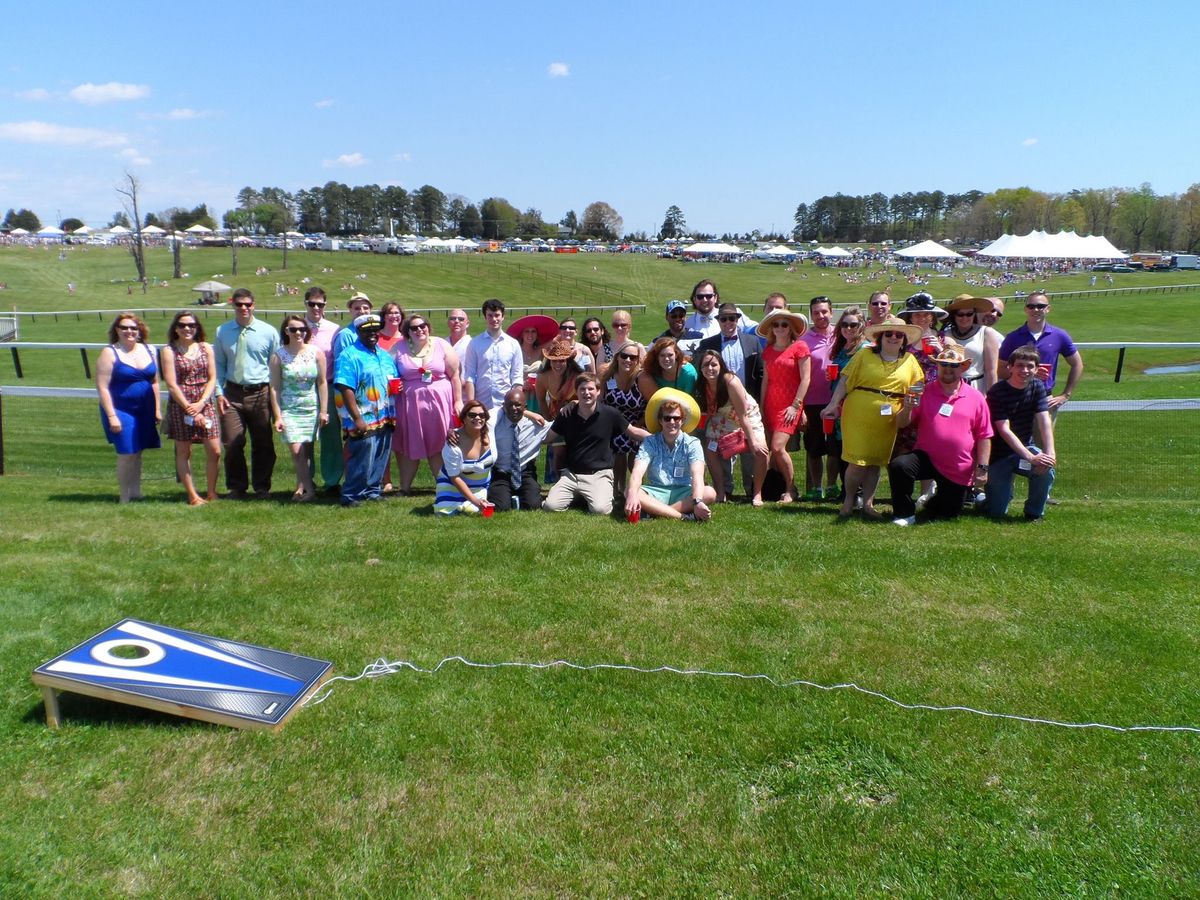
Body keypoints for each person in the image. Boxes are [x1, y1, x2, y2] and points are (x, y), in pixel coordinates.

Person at [822, 316, 924, 520]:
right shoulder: (865, 354)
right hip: (859, 411)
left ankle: (868, 504)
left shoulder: (910, 360)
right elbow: (845, 379)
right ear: (880, 336)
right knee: (857, 460)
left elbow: (918, 386)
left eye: (898, 335)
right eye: (889, 334)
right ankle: (849, 500)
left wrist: (912, 401)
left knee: (876, 461)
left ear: (904, 339)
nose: (893, 338)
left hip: (889, 416)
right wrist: (833, 404)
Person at [888, 342, 993, 525]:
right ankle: (904, 513)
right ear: (937, 365)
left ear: (963, 367)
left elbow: (984, 435)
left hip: (958, 466)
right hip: (926, 457)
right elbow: (902, 423)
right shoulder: (925, 391)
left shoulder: (976, 397)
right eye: (943, 364)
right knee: (899, 465)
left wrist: (982, 468)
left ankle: (933, 503)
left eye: (953, 366)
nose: (948, 369)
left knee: (948, 513)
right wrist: (906, 408)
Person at [542, 372, 650, 515]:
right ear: (577, 392)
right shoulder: (566, 415)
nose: (586, 393)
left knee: (601, 510)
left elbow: (634, 432)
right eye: (582, 389)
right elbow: (548, 437)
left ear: (598, 391)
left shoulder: (610, 414)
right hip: (571, 475)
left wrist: (661, 438)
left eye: (591, 389)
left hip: (599, 475)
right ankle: (580, 495)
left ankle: (584, 496)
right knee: (551, 507)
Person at [213, 288, 279, 498]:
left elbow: (275, 366)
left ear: (254, 305)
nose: (243, 308)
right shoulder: (222, 332)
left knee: (263, 443)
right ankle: (237, 486)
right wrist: (218, 393)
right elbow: (218, 365)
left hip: (260, 392)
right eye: (239, 304)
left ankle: (261, 487)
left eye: (247, 304)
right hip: (232, 393)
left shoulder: (268, 332)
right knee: (232, 442)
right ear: (232, 305)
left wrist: (274, 397)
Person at [391, 312, 463, 494]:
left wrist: (458, 401)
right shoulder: (398, 348)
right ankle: (404, 487)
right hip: (410, 406)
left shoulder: (441, 344)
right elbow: (388, 373)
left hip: (440, 404)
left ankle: (443, 486)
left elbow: (455, 375)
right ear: (407, 332)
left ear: (428, 327)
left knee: (439, 444)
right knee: (409, 445)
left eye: (422, 326)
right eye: (413, 328)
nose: (419, 330)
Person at [984, 344, 1057, 522]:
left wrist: (1050, 453)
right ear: (1010, 367)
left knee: (1046, 468)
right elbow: (1004, 429)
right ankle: (982, 499)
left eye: (1030, 366)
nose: (1025, 370)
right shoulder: (997, 392)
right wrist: (1030, 457)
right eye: (1020, 365)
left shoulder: (1037, 386)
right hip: (998, 454)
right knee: (996, 511)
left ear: (1037, 369)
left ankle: (1034, 512)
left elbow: (1044, 421)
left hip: (1025, 447)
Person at [332, 314, 399, 507]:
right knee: (363, 454)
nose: (371, 334)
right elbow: (345, 387)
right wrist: (357, 417)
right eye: (366, 330)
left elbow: (392, 379)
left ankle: (372, 490)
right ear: (358, 332)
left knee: (380, 453)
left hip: (385, 414)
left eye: (374, 330)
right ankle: (352, 494)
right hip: (362, 415)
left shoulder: (384, 355)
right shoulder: (349, 355)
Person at [96, 313, 161, 503]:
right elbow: (102, 386)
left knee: (138, 451)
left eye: (133, 328)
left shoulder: (150, 349)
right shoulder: (109, 352)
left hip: (145, 409)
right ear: (117, 330)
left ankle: (136, 492)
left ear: (139, 330)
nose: (129, 331)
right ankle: (124, 496)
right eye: (124, 328)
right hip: (120, 409)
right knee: (127, 452)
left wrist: (157, 409)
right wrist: (111, 416)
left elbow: (155, 382)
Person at [692, 348, 768, 505]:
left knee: (761, 450)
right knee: (710, 448)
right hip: (723, 416)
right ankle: (721, 491)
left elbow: (743, 416)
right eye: (705, 365)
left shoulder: (730, 382)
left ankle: (757, 493)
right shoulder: (702, 384)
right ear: (700, 368)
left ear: (721, 366)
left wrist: (752, 441)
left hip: (746, 415)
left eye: (714, 364)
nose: (710, 368)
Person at [625, 395, 716, 522]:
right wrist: (632, 495)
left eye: (676, 418)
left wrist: (698, 501)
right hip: (657, 491)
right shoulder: (650, 442)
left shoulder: (692, 443)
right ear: (660, 421)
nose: (672, 422)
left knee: (709, 492)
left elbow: (697, 475)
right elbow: (637, 472)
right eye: (667, 418)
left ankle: (655, 513)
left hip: (684, 491)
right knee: (630, 491)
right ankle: (682, 516)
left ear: (682, 420)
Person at [161, 311, 221, 505]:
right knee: (184, 451)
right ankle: (193, 495)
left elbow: (212, 378)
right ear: (175, 328)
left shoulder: (206, 348)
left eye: (191, 325)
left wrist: (202, 403)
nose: (187, 329)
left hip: (205, 402)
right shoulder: (169, 351)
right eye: (182, 325)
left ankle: (212, 492)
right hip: (181, 405)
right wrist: (189, 408)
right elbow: (171, 383)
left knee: (215, 450)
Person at [997, 291, 1083, 425]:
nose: (1035, 309)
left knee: (1043, 443)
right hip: (1016, 396)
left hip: (1045, 398)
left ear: (1048, 309)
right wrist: (1023, 373)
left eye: (1040, 306)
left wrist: (1066, 394)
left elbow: (1077, 364)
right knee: (1015, 442)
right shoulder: (1013, 337)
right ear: (1026, 309)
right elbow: (999, 368)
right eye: (1031, 306)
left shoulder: (1059, 335)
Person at [269, 315, 328, 502]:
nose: (298, 333)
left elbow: (322, 382)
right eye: (293, 329)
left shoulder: (316, 353)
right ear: (286, 331)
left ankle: (301, 487)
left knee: (306, 450)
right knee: (296, 450)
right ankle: (310, 491)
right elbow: (275, 388)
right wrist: (278, 416)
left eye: (302, 329)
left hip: (310, 407)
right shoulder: (278, 356)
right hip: (289, 409)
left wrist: (324, 410)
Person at [757, 308, 811, 504]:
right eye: (776, 324)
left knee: (778, 448)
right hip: (771, 404)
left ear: (791, 328)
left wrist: (796, 406)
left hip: (789, 406)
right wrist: (761, 408)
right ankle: (776, 488)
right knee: (772, 451)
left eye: (784, 324)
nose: (780, 328)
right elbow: (766, 382)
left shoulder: (800, 347)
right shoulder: (768, 350)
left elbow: (806, 379)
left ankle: (791, 489)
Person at [826, 305, 870, 499]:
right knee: (841, 449)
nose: (848, 328)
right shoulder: (842, 347)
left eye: (853, 324)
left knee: (853, 450)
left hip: (854, 406)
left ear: (862, 325)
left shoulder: (865, 349)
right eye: (845, 324)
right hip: (838, 405)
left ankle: (857, 494)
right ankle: (847, 491)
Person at [486, 386, 553, 511]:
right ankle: (508, 496)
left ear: (525, 407)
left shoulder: (536, 425)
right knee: (500, 507)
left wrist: (573, 406)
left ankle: (516, 495)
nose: (513, 409)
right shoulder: (495, 424)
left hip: (525, 473)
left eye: (518, 405)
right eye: (510, 405)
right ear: (504, 406)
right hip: (501, 473)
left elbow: (558, 427)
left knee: (533, 505)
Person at [302, 286, 342, 492]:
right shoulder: (297, 327)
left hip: (329, 386)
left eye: (320, 304)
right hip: (303, 390)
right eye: (312, 304)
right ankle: (306, 480)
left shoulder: (335, 330)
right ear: (305, 304)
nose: (316, 308)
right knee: (304, 437)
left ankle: (332, 481)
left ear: (325, 305)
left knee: (331, 438)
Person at [799, 295, 838, 500]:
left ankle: (832, 486)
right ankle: (816, 487)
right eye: (816, 312)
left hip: (836, 401)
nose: (821, 316)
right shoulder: (804, 340)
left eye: (824, 311)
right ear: (811, 315)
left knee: (834, 447)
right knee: (814, 447)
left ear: (831, 312)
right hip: (812, 401)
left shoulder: (841, 335)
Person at [434, 399, 495, 515]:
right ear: (464, 419)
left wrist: (532, 414)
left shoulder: (491, 431)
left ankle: (469, 505)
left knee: (473, 512)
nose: (478, 418)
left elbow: (506, 408)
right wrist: (476, 502)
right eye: (472, 415)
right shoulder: (453, 443)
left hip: (479, 487)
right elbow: (454, 477)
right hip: (452, 485)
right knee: (444, 513)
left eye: (481, 415)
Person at [603, 340, 647, 499]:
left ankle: (636, 490)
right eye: (624, 356)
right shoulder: (608, 376)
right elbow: (599, 400)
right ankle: (617, 489)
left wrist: (640, 424)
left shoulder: (642, 378)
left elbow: (654, 403)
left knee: (635, 454)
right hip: (614, 425)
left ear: (637, 360)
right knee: (618, 448)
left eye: (632, 357)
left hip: (638, 423)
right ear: (617, 357)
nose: (628, 360)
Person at [462, 298, 523, 408]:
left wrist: (516, 402)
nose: (494, 319)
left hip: (506, 404)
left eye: (497, 315)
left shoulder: (513, 344)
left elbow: (517, 376)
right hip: (481, 404)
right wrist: (471, 405)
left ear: (503, 317)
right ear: (485, 317)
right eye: (490, 315)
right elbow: (470, 375)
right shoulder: (474, 344)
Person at [942, 294, 1000, 391]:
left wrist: (992, 397)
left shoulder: (986, 333)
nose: (965, 318)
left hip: (976, 386)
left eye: (969, 314)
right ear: (954, 315)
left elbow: (991, 371)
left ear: (974, 314)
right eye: (960, 314)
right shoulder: (946, 334)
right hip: (951, 386)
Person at [682, 279, 755, 353]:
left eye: (709, 296)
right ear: (694, 299)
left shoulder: (732, 315)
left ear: (715, 298)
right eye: (700, 297)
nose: (704, 300)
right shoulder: (687, 324)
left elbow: (757, 329)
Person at [508, 313, 559, 408]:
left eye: (533, 331)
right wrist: (522, 384)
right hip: (519, 394)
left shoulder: (541, 351)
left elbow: (557, 337)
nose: (530, 335)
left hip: (538, 395)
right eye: (526, 331)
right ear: (522, 334)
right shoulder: (514, 352)